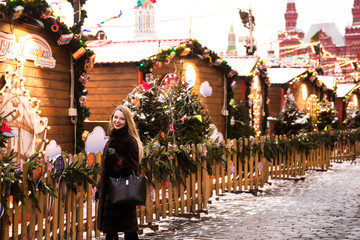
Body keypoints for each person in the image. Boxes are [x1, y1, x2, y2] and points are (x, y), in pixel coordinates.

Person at [97, 105, 144, 240]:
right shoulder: (112, 138)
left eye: (121, 119)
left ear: (127, 121)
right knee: (111, 233)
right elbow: (106, 169)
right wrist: (100, 187)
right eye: (115, 117)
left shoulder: (130, 141)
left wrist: (119, 160)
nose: (117, 121)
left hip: (123, 192)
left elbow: (133, 168)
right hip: (109, 193)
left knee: (129, 232)